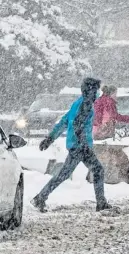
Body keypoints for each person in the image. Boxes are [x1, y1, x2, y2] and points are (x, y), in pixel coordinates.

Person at [30, 77, 113, 213]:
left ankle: (41, 197)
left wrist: (50, 138)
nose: (98, 93)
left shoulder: (78, 103)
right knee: (97, 170)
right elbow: (77, 125)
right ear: (91, 90)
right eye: (96, 90)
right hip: (81, 147)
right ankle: (101, 203)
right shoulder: (85, 104)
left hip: (76, 146)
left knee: (64, 174)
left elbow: (64, 122)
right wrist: (83, 143)